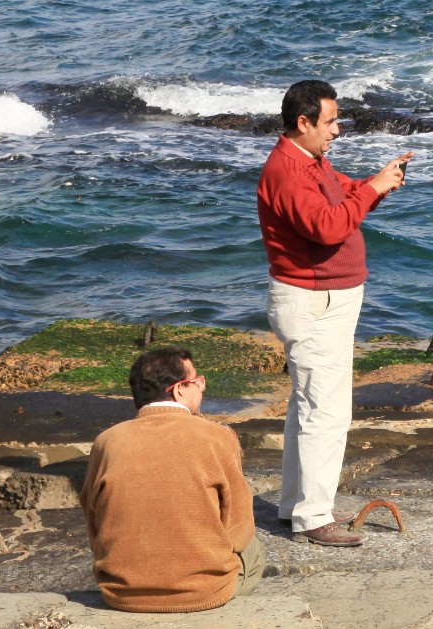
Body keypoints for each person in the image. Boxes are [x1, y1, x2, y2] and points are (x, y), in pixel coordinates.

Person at [259, 79, 413, 546]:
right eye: (330, 121)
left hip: (321, 300)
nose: (337, 130)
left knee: (307, 407)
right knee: (325, 413)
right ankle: (313, 517)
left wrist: (376, 184)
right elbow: (327, 227)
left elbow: (342, 192)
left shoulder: (309, 162)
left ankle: (297, 506)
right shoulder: (287, 171)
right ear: (302, 122)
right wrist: (373, 190)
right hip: (313, 303)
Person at [79, 347, 261, 613]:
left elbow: (93, 520)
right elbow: (240, 530)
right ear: (179, 390)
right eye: (198, 382)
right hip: (204, 592)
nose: (202, 388)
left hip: (120, 593)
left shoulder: (106, 441)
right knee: (255, 550)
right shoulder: (217, 437)